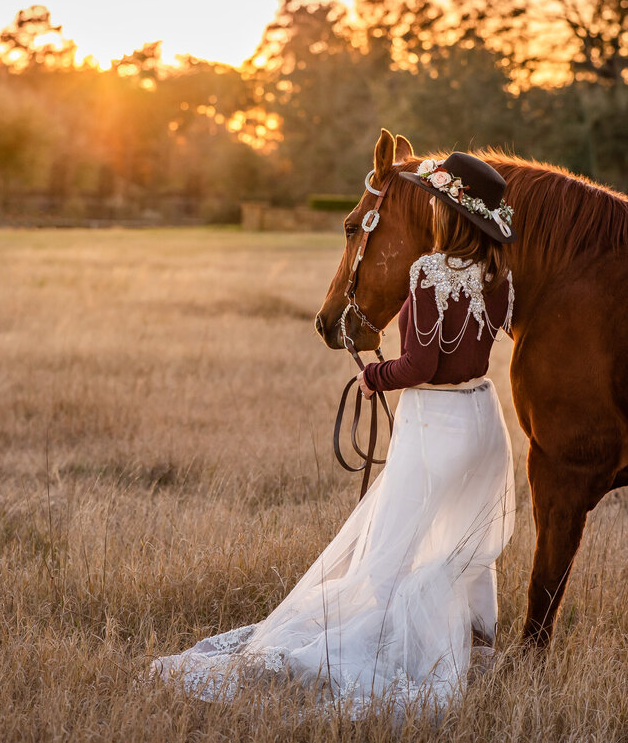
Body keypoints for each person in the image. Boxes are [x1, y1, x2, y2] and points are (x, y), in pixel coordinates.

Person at [149, 152, 518, 719]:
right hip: (482, 421)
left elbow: (417, 367)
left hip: (436, 423)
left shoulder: (426, 273)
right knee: (456, 545)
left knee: (396, 549)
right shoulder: (500, 279)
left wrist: (374, 376)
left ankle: (396, 649)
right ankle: (461, 644)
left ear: (447, 216)